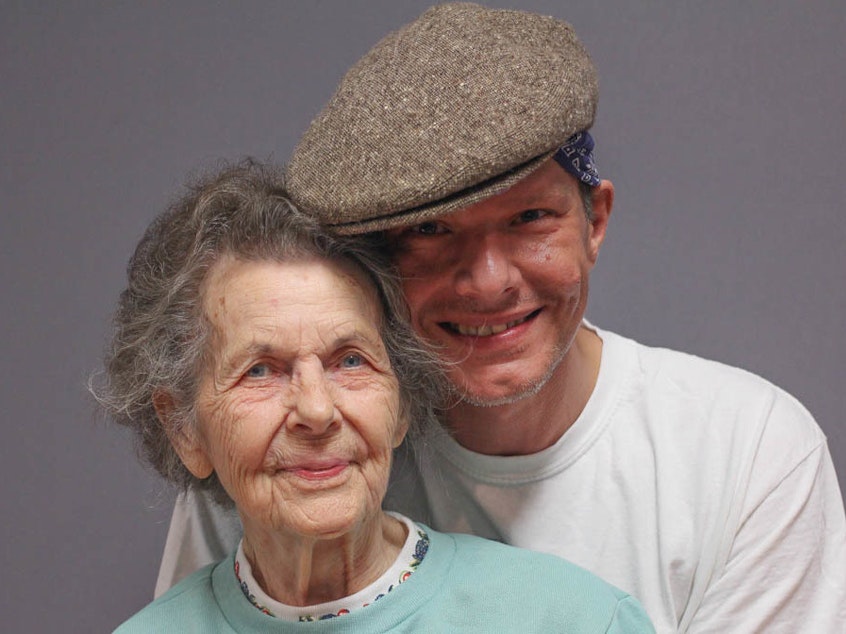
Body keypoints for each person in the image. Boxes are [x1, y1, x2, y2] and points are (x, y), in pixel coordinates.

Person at [156, 4, 846, 632]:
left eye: (529, 219)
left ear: (595, 221)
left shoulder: (747, 455)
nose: (488, 281)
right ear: (378, 264)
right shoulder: (298, 455)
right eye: (430, 231)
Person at [98, 161, 655, 632]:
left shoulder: (572, 619)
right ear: (185, 430)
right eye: (262, 371)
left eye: (350, 360)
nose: (316, 412)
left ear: (402, 403)